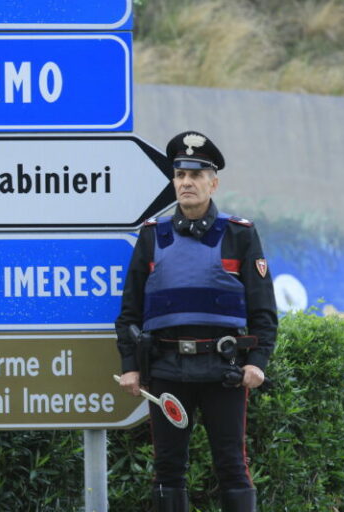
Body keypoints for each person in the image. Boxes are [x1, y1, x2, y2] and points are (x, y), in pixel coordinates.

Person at [115, 131, 277, 512]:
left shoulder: (240, 235)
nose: (186, 182)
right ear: (173, 182)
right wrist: (129, 368)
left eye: (196, 175)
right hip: (167, 370)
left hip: (225, 371)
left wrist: (258, 364)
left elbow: (264, 312)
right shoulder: (153, 237)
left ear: (213, 182)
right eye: (180, 175)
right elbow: (130, 311)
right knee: (168, 469)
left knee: (232, 465)